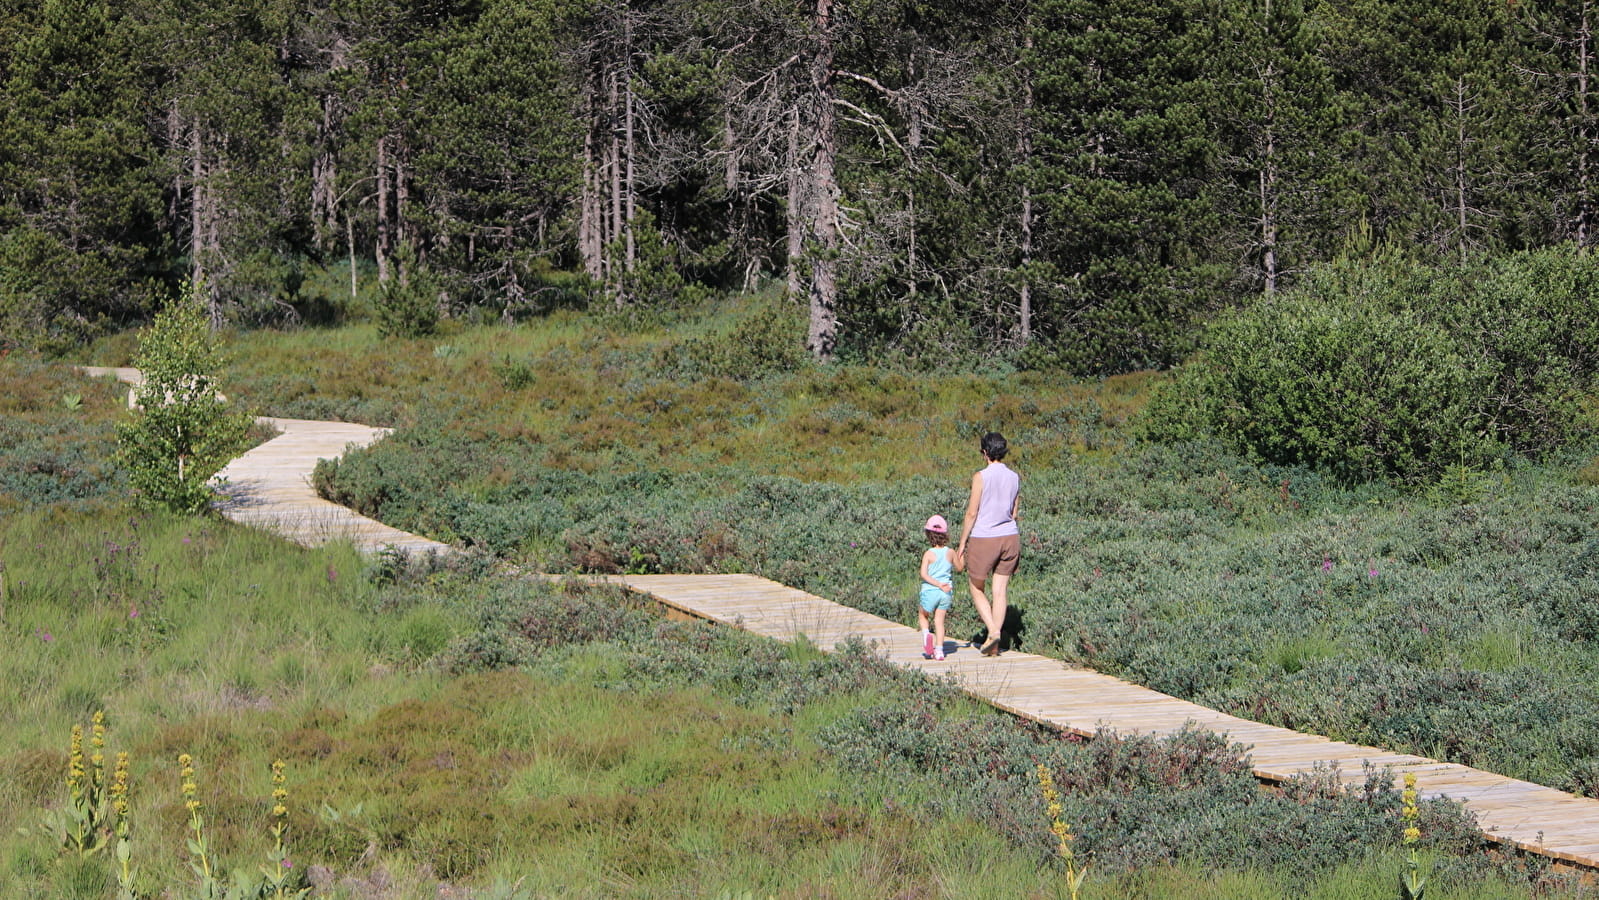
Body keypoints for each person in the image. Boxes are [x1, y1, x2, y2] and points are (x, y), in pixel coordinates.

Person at [958, 432, 1020, 657]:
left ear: (985, 452)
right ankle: (995, 640)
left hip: (985, 537)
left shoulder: (980, 477)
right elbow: (1014, 512)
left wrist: (962, 542)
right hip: (1010, 537)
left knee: (976, 586)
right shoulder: (1014, 477)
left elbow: (972, 512)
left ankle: (993, 631)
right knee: (1000, 590)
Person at [917, 515, 960, 661]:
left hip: (930, 591)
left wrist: (936, 584)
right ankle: (940, 651)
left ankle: (926, 634)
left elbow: (923, 574)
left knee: (923, 614)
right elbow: (960, 568)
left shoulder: (928, 554)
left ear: (928, 535)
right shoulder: (951, 552)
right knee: (939, 621)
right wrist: (962, 555)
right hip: (946, 591)